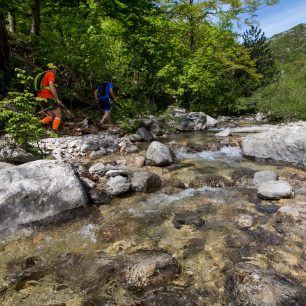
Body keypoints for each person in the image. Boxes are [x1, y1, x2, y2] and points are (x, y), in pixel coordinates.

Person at [38, 63, 63, 130]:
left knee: (51, 115)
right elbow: (51, 86)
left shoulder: (42, 75)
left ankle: (37, 125)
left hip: (40, 97)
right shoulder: (50, 74)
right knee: (58, 115)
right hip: (48, 97)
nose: (56, 72)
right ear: (52, 69)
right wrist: (57, 99)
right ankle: (54, 131)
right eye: (56, 70)